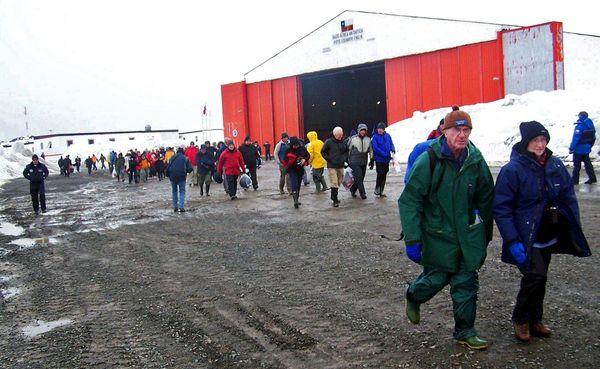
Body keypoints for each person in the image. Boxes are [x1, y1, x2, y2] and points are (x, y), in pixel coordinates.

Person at [398, 106, 495, 350]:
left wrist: (485, 233)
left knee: (466, 283)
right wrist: (413, 239)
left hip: (467, 235)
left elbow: (486, 197)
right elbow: (410, 200)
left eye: (466, 130)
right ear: (445, 131)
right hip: (438, 234)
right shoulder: (430, 159)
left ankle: (465, 331)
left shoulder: (475, 158)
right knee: (437, 278)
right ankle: (413, 294)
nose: (462, 135)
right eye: (457, 130)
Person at [493, 121, 591, 342]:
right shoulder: (513, 169)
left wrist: (572, 225)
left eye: (543, 140)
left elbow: (568, 196)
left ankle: (535, 319)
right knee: (536, 275)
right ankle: (520, 319)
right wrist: (511, 239)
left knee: (541, 278)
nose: (540, 144)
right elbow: (501, 207)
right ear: (526, 142)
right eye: (535, 140)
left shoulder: (554, 165)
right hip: (526, 235)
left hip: (548, 233)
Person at [321, 126, 349, 207]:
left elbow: (347, 151)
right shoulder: (328, 142)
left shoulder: (343, 142)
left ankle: (334, 196)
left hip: (340, 165)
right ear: (334, 134)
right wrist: (328, 159)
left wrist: (345, 158)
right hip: (331, 165)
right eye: (339, 135)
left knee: (339, 181)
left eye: (341, 135)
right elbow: (323, 152)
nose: (340, 136)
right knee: (334, 182)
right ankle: (335, 199)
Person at [569, 111, 597, 184]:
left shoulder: (579, 126)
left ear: (580, 116)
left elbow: (576, 138)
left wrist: (571, 148)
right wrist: (589, 145)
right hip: (586, 149)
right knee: (588, 165)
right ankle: (592, 178)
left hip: (578, 149)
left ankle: (575, 180)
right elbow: (593, 137)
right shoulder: (591, 126)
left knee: (577, 166)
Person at [347, 123, 373, 199]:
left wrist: (371, 159)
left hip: (363, 161)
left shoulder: (368, 139)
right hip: (354, 161)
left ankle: (353, 189)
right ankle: (362, 193)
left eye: (364, 130)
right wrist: (347, 160)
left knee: (361, 178)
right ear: (358, 130)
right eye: (361, 130)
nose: (363, 132)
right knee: (358, 176)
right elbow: (348, 149)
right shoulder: (353, 139)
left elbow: (371, 150)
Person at [282, 136, 310, 208]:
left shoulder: (302, 148)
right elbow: (285, 160)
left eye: (297, 145)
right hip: (292, 170)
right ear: (292, 145)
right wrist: (290, 161)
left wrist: (304, 160)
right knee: (294, 184)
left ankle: (297, 199)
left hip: (300, 170)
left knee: (298, 185)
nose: (296, 146)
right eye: (294, 145)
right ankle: (295, 201)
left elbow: (308, 155)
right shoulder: (288, 150)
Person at [371, 122, 396, 197]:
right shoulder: (375, 137)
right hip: (379, 159)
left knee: (385, 173)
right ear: (377, 129)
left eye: (381, 129)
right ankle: (377, 188)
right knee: (380, 173)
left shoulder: (388, 136)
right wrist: (384, 154)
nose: (380, 130)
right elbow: (375, 148)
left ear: (384, 129)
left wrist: (393, 149)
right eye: (379, 129)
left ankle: (381, 191)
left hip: (386, 159)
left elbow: (391, 143)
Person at [165, 147, 193, 212]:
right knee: (182, 191)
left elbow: (168, 166)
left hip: (172, 176)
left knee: (174, 191)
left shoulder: (172, 157)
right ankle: (181, 206)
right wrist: (186, 171)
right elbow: (190, 169)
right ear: (183, 152)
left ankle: (175, 207)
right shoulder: (185, 158)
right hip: (181, 176)